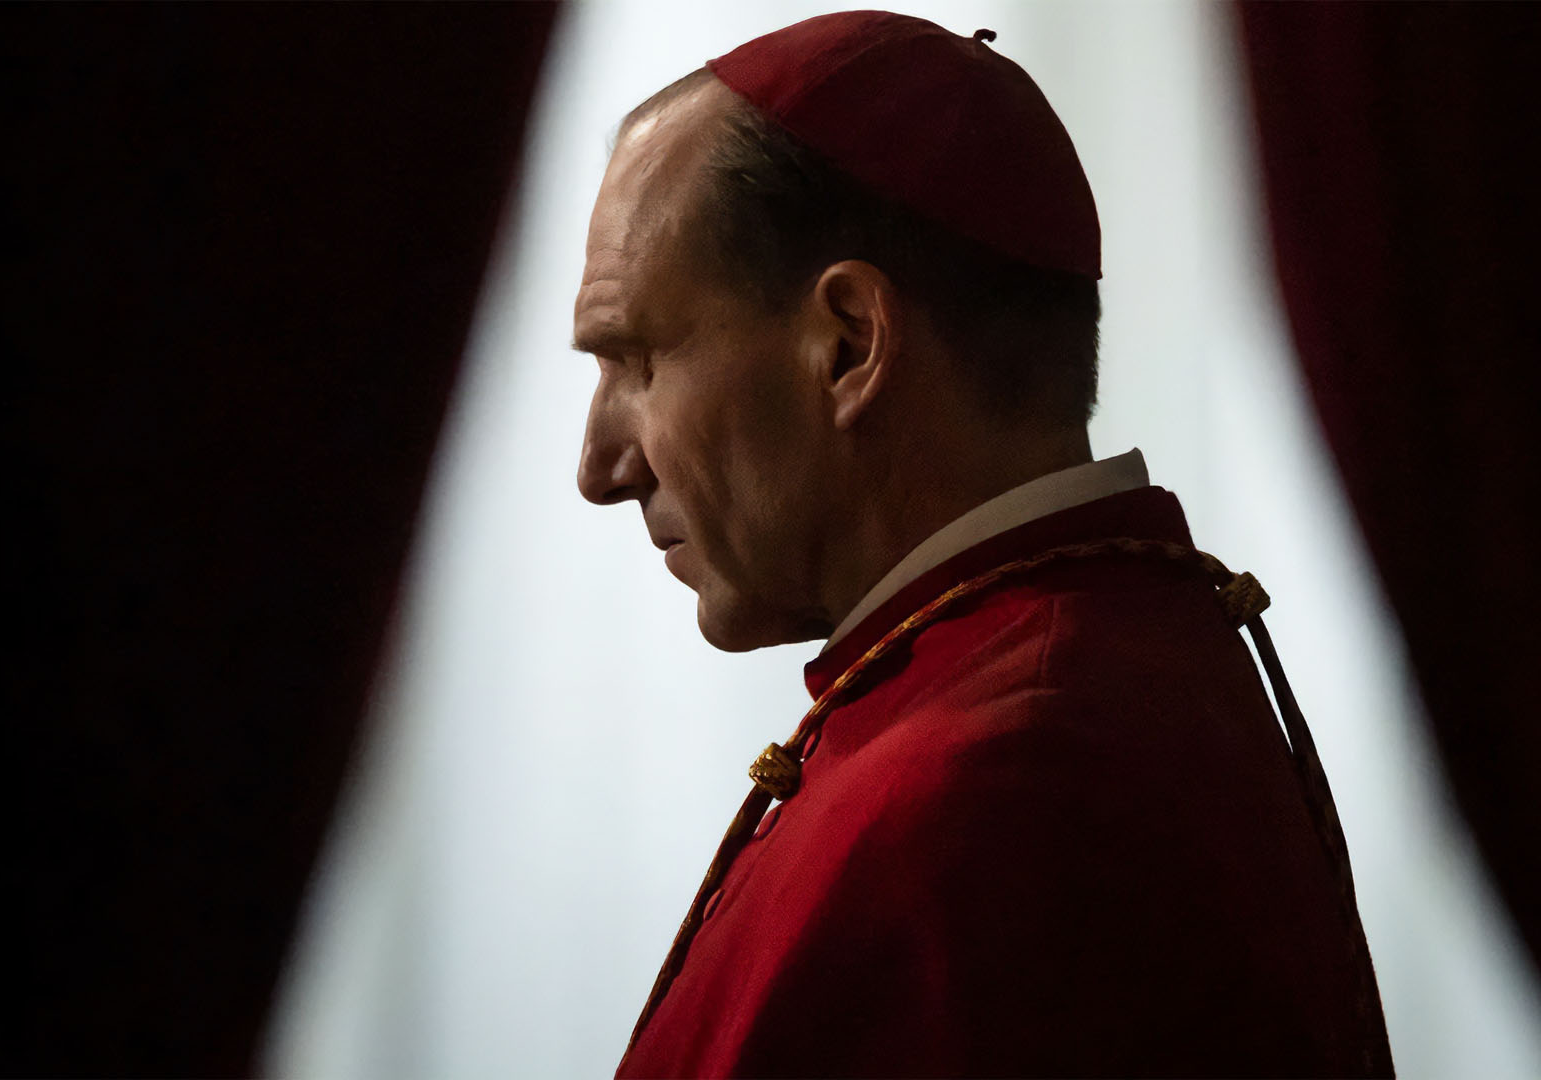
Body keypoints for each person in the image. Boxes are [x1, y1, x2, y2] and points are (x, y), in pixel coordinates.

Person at [574, 10, 1394, 1077]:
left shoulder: (995, 793)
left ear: (848, 345)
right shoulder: (1109, 662)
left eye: (635, 360)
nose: (598, 468)